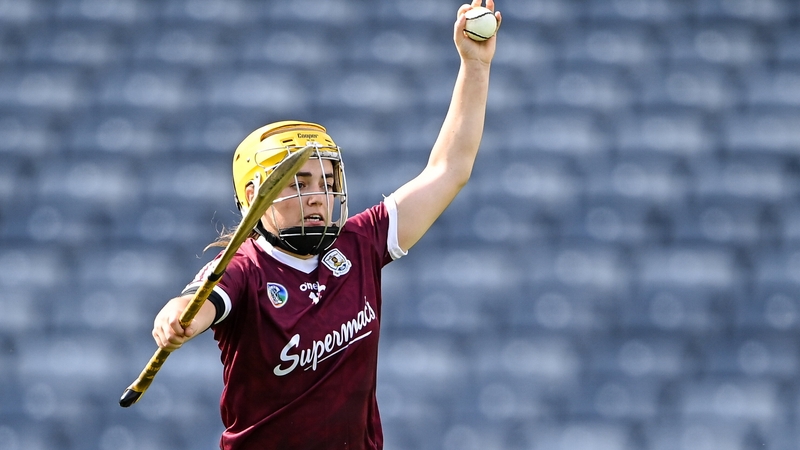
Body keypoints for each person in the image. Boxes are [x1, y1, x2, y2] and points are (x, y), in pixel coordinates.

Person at [151, 1, 501, 449]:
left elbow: (450, 169)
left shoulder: (360, 243)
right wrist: (174, 318)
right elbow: (192, 306)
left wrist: (475, 66)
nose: (317, 194)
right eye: (297, 181)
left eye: (327, 180)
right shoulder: (243, 268)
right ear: (255, 194)